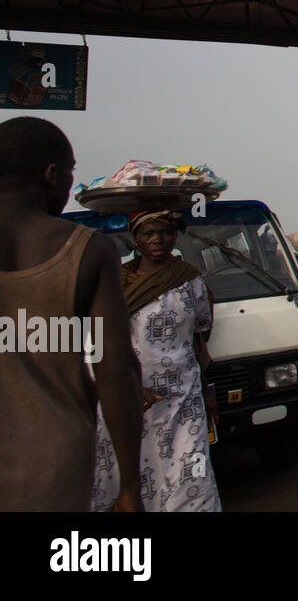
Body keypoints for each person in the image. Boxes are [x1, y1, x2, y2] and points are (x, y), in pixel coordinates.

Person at [0, 117, 143, 511]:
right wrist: (130, 486)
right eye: (70, 173)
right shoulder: (88, 250)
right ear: (51, 174)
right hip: (50, 463)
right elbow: (115, 369)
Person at [91, 210, 222, 512]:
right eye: (148, 233)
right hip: (128, 397)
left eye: (164, 232)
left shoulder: (191, 280)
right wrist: (132, 385)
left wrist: (207, 392)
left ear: (175, 236)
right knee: (131, 477)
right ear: (135, 238)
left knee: (191, 476)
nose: (157, 239)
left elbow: (199, 339)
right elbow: (98, 343)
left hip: (183, 398)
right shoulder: (115, 283)